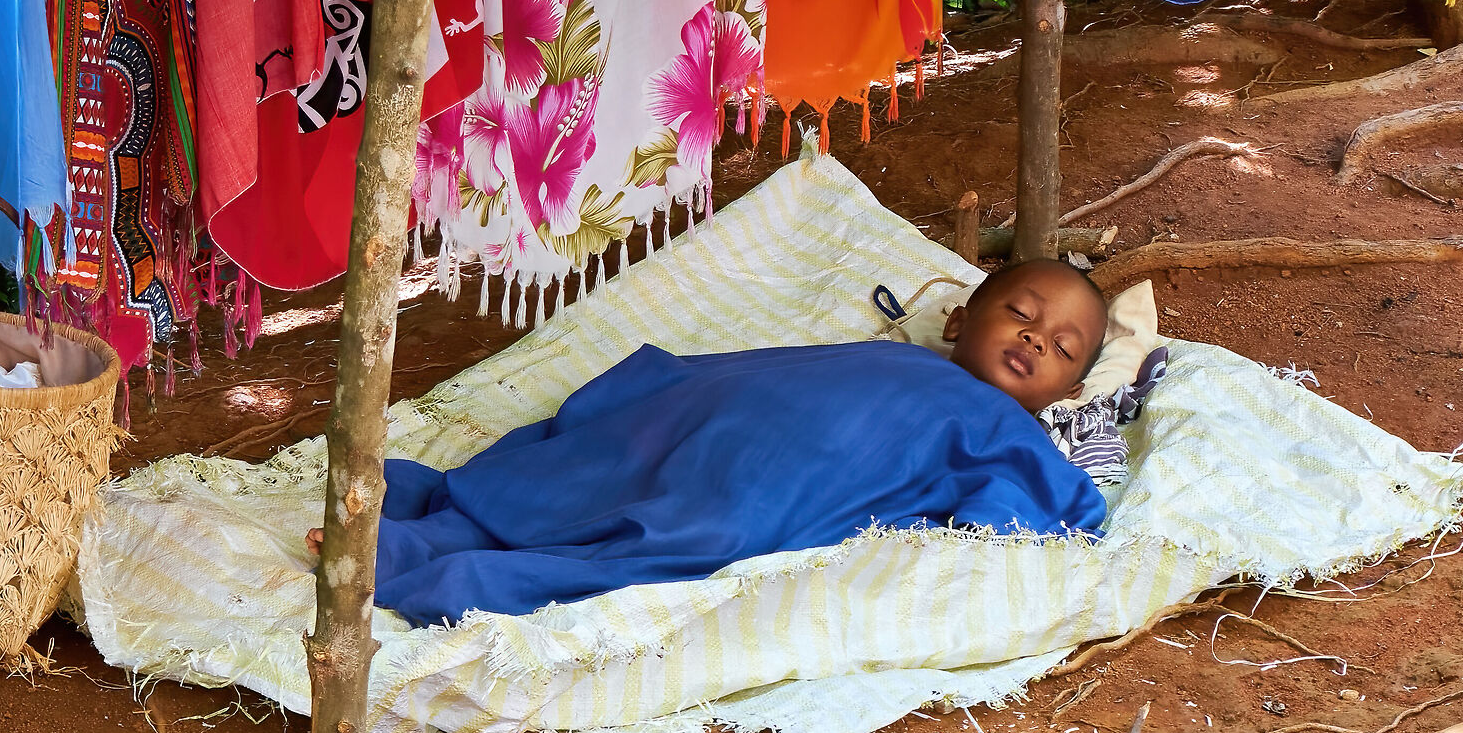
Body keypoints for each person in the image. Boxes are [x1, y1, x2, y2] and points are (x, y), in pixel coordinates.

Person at [306, 260, 1112, 625]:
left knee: (682, 535)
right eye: (1023, 314)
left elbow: (1039, 513)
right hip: (721, 416)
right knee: (598, 469)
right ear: (959, 320)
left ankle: (417, 563)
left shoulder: (1014, 434)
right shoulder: (893, 354)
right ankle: (413, 524)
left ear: (1068, 393)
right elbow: (771, 373)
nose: (1039, 339)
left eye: (1065, 349)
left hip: (777, 487)